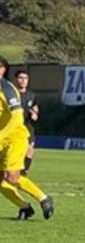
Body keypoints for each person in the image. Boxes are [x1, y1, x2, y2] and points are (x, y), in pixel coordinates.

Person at [0, 59, 52, 220]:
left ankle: (43, 198)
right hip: (3, 139)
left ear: (2, 70)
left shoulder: (7, 88)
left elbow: (16, 119)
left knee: (11, 177)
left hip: (14, 138)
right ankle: (24, 207)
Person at [16, 69, 36, 175]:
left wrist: (35, 114)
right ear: (16, 79)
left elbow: (35, 108)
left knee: (30, 149)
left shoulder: (32, 96)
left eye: (25, 78)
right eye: (20, 78)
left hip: (27, 126)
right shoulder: (12, 94)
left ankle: (24, 172)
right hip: (14, 126)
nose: (23, 80)